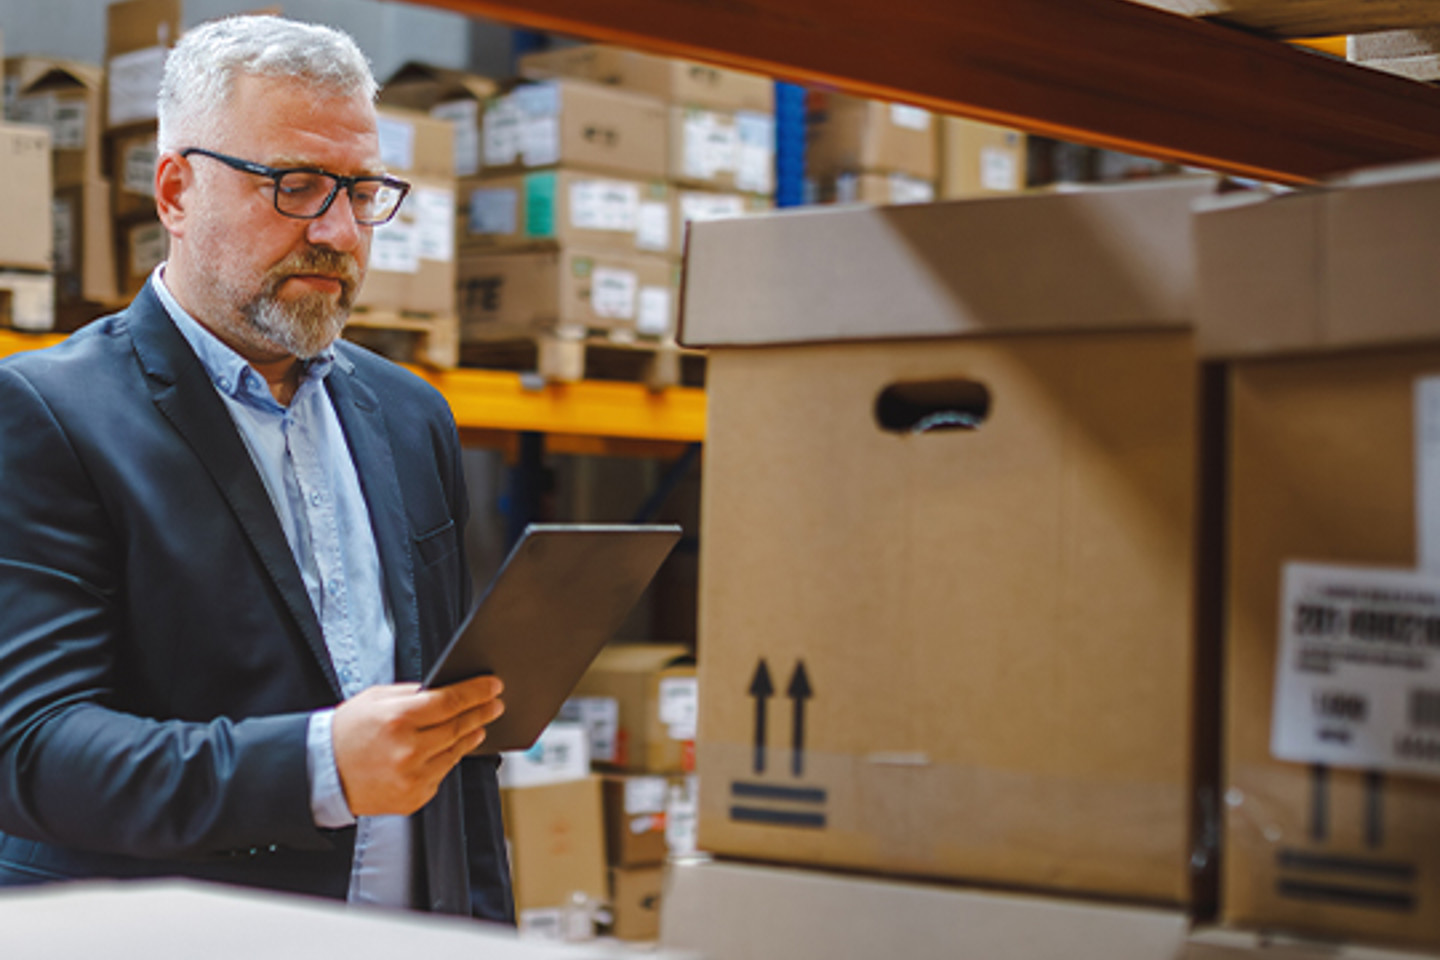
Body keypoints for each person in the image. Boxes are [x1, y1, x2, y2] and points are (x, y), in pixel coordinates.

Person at [0, 15, 513, 922]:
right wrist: (318, 766)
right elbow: (34, 752)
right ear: (174, 192)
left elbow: (452, 738)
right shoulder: (45, 415)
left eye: (361, 192)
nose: (340, 232)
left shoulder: (408, 415)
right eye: (297, 185)